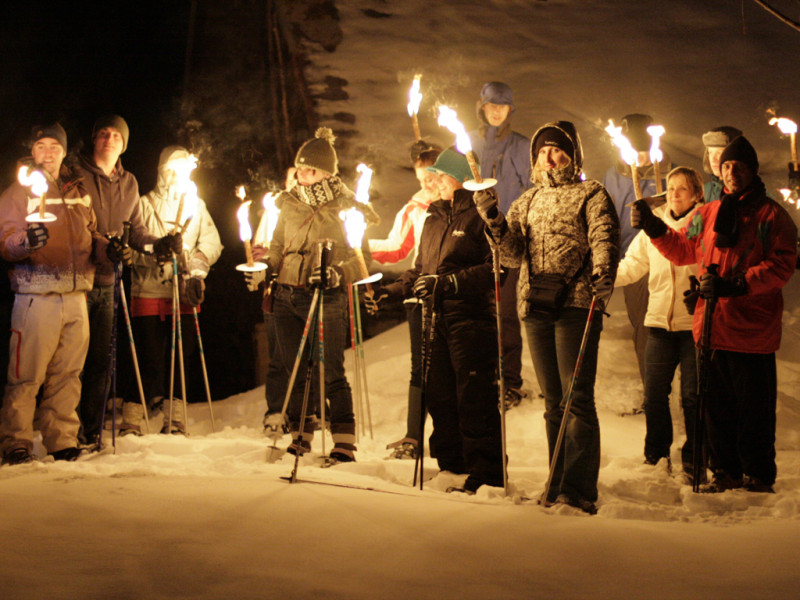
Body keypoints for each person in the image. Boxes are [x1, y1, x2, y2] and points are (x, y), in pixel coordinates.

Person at [631, 136, 797, 493]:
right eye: (726, 167)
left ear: (752, 170)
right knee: (716, 407)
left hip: (752, 332)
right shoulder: (707, 214)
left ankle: (757, 474)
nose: (732, 172)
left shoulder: (771, 215)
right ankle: (724, 470)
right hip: (713, 328)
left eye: (739, 166)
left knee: (753, 409)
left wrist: (737, 285)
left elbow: (782, 265)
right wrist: (655, 228)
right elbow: (684, 249)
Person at [475, 121, 620, 513]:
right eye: (541, 152)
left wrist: (604, 271)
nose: (548, 157)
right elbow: (509, 255)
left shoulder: (591, 193)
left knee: (577, 398)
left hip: (575, 304)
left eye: (556, 150)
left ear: (572, 156)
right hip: (536, 307)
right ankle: (556, 480)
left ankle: (578, 488)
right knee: (553, 401)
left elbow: (603, 235)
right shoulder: (526, 200)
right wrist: (494, 222)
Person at [384, 147, 503, 493]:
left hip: (470, 318)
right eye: (432, 176)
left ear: (461, 179)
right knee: (440, 395)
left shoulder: (482, 215)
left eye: (440, 176)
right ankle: (453, 465)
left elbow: (497, 269)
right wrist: (389, 292)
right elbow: (422, 270)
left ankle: (487, 471)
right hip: (434, 319)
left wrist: (451, 283)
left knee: (473, 395)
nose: (433, 182)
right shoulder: (434, 217)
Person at [265, 127, 379, 463]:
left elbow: (363, 258)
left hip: (327, 297)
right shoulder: (288, 203)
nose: (302, 175)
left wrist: (337, 273)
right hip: (287, 295)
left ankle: (344, 438)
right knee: (295, 368)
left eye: (310, 170)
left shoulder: (347, 207)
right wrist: (267, 269)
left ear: (327, 172)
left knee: (331, 370)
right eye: (299, 169)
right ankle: (302, 432)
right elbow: (277, 245)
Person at [0, 123, 112, 464]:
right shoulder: (17, 193)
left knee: (68, 372)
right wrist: (24, 243)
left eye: (54, 146)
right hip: (36, 294)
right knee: (26, 374)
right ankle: (16, 440)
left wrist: (110, 250)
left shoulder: (78, 191)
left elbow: (92, 236)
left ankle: (61, 438)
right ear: (33, 152)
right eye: (41, 146)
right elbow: (5, 240)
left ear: (64, 151)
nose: (48, 153)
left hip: (76, 295)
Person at [73, 115, 180, 447]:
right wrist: (106, 246)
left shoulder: (129, 182)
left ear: (124, 143)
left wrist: (157, 244)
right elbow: (75, 226)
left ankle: (91, 431)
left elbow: (136, 232)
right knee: (70, 358)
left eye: (116, 135)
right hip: (77, 280)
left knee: (100, 360)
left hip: (107, 280)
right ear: (94, 139)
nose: (109, 139)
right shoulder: (74, 175)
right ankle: (65, 429)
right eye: (103, 133)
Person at [121, 146, 222, 435]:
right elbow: (132, 247)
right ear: (162, 170)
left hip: (184, 290)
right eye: (171, 168)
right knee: (147, 355)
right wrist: (159, 253)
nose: (175, 174)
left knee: (182, 353)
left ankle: (175, 417)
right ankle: (132, 416)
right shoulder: (143, 204)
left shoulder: (196, 203)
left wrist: (197, 268)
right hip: (149, 291)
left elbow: (212, 242)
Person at [615, 167, 704, 479]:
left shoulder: (703, 223)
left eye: (683, 189)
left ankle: (695, 458)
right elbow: (633, 265)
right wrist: (604, 277)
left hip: (693, 325)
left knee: (693, 396)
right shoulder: (654, 224)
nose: (675, 194)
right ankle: (656, 454)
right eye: (671, 188)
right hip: (658, 324)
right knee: (654, 394)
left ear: (697, 194)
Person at [369, 140, 441, 459]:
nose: (427, 184)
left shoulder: (464, 201)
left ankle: (451, 438)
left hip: (452, 296)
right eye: (420, 178)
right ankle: (413, 437)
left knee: (444, 369)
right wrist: (358, 244)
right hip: (418, 294)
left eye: (432, 176)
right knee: (419, 369)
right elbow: (397, 248)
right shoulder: (416, 206)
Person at [469, 81, 530, 407]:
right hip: (475, 243)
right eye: (491, 105)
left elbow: (532, 190)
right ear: (482, 106)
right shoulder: (470, 145)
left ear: (510, 110)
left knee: (505, 313)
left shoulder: (520, 147)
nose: (496, 111)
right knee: (478, 313)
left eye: (502, 106)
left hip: (506, 240)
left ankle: (511, 381)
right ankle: (482, 375)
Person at [603, 114, 671, 406]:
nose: (641, 156)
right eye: (636, 148)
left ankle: (661, 391)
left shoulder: (668, 173)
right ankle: (653, 391)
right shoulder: (615, 175)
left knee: (662, 325)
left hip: (667, 257)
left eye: (645, 148)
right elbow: (609, 216)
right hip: (632, 259)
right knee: (642, 325)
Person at [701, 126, 742, 203]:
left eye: (719, 153)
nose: (713, 159)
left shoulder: (756, 195)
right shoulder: (703, 192)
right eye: (710, 153)